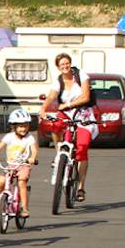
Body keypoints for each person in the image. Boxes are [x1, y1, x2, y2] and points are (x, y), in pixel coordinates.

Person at [39, 53, 98, 202]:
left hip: (83, 113)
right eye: (61, 65)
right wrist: (43, 109)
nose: (65, 66)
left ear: (70, 64)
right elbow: (52, 95)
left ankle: (80, 187)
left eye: (67, 63)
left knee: (82, 148)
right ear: (58, 67)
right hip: (66, 114)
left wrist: (68, 104)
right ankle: (59, 153)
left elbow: (85, 97)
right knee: (55, 125)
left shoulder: (80, 75)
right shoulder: (58, 81)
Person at [0, 108, 38, 217]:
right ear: (14, 126)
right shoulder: (9, 137)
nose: (23, 129)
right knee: (1, 181)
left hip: (23, 165)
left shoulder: (29, 138)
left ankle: (24, 208)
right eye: (20, 126)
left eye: (26, 126)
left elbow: (34, 149)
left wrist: (32, 157)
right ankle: (1, 200)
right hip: (11, 165)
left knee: (21, 182)